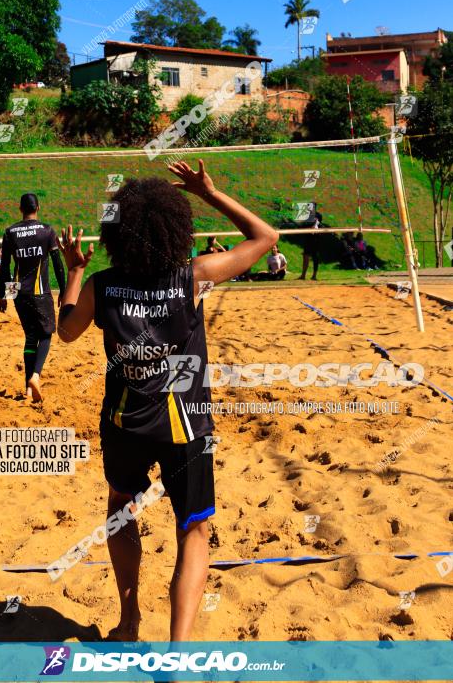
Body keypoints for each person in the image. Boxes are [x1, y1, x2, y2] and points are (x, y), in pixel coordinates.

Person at [56, 159, 277, 642]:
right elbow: (265, 238)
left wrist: (75, 270)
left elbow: (65, 331)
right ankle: (177, 654)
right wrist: (209, 193)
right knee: (193, 530)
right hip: (187, 426)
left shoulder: (103, 286)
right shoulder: (193, 277)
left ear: (119, 234)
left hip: (125, 423)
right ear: (176, 228)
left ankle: (129, 621)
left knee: (121, 510)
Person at [0, 193, 66, 403]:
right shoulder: (46, 231)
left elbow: (5, 268)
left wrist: (3, 296)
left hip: (18, 292)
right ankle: (35, 376)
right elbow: (57, 263)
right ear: (39, 207)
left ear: (20, 208)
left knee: (30, 336)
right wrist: (63, 290)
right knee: (46, 335)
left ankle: (28, 390)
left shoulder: (10, 232)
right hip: (40, 291)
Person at [299, 208, 323, 281]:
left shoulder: (319, 218)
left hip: (316, 241)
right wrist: (309, 228)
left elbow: (320, 227)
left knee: (315, 258)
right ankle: (303, 275)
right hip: (308, 240)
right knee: (305, 257)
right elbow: (303, 226)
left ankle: (314, 276)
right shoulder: (307, 218)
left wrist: (316, 228)